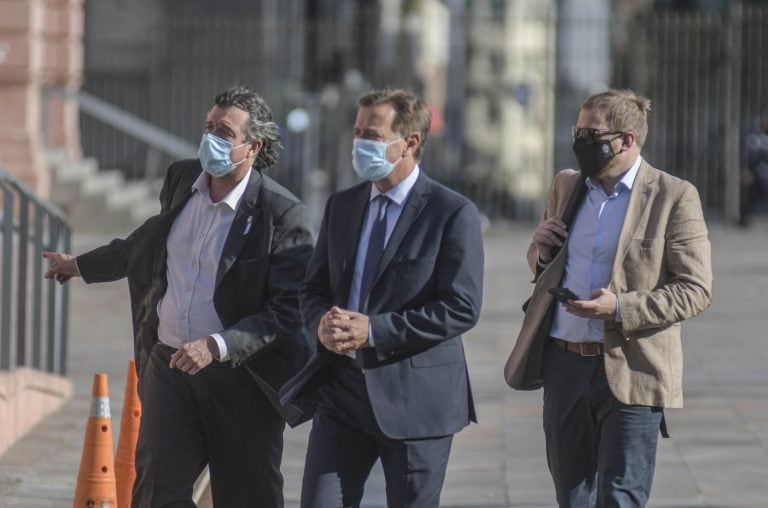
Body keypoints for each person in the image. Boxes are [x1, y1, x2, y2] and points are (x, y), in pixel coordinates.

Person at [43, 85, 314, 507]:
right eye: (208, 126)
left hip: (241, 381)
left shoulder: (281, 215)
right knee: (156, 491)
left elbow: (286, 312)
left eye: (224, 132)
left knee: (248, 495)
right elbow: (144, 245)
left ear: (253, 146)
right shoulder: (183, 179)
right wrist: (80, 265)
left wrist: (217, 345)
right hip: (170, 368)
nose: (211, 139)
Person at [280, 88, 484, 508]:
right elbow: (313, 288)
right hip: (342, 393)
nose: (359, 145)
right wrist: (320, 323)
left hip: (415, 399)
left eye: (371, 135)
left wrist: (373, 330)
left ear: (409, 142)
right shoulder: (343, 205)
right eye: (357, 133)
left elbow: (461, 307)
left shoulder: (451, 212)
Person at [526, 89, 712, 506]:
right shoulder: (566, 185)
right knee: (571, 496)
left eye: (591, 133)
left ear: (626, 140)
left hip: (633, 367)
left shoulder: (673, 195)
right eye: (577, 130)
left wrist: (621, 308)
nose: (579, 141)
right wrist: (540, 250)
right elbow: (542, 263)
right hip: (564, 363)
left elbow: (696, 289)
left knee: (621, 497)